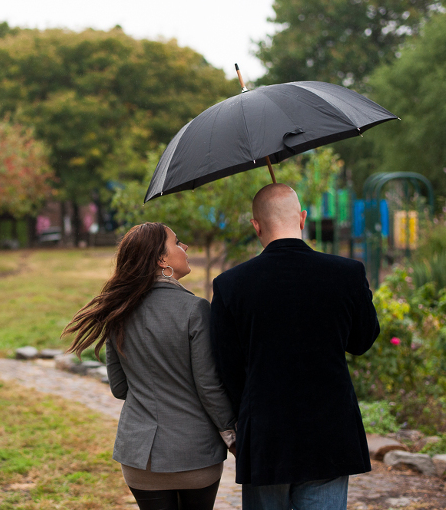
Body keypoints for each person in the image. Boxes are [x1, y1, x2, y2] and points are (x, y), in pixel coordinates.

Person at [210, 184, 380, 510]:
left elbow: (227, 368)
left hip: (265, 432)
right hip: (330, 430)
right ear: (302, 218)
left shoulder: (231, 285)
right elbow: (362, 341)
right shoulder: (347, 273)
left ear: (255, 225)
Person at [63, 222, 236, 510]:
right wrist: (231, 435)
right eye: (178, 242)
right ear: (161, 259)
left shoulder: (117, 310)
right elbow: (209, 386)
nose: (185, 247)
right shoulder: (195, 309)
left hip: (140, 458)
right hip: (194, 455)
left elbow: (119, 388)